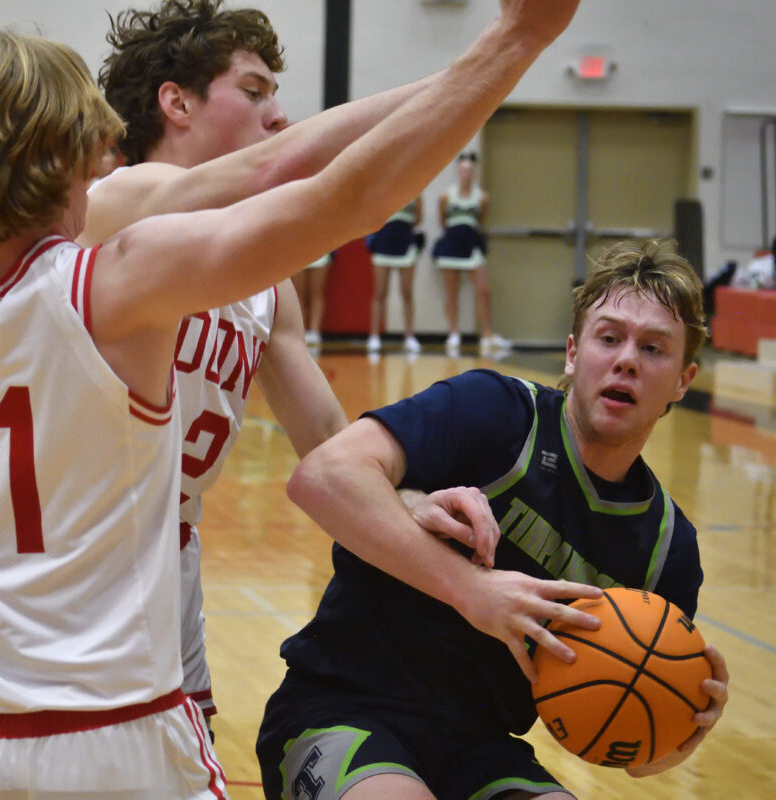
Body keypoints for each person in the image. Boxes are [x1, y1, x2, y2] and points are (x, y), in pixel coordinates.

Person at [0, 2, 585, 794]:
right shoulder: (125, 272)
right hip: (112, 702)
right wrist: (515, 38)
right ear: (70, 155)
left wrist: (409, 503)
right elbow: (338, 192)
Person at [84, 0, 503, 723]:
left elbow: (328, 449)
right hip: (79, 546)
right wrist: (487, 65)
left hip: (171, 556)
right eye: (253, 91)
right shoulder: (116, 202)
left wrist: (408, 503)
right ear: (175, 102)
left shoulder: (268, 287)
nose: (277, 113)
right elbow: (291, 165)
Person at [258, 239, 730, 800]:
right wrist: (472, 590)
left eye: (654, 348)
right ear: (574, 353)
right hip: (343, 708)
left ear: (683, 380)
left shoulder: (666, 546)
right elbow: (324, 476)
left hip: (480, 747)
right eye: (610, 338)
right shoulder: (498, 414)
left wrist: (679, 726)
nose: (627, 358)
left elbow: (630, 754)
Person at [433, 151, 509, 357]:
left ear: (473, 172)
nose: (466, 172)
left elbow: (481, 221)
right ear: (458, 171)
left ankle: (487, 334)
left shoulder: (482, 198)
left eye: (469, 169)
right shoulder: (446, 196)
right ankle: (453, 334)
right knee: (452, 291)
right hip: (451, 245)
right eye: (462, 169)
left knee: (483, 289)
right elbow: (442, 221)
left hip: (471, 246)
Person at [366, 197, 423, 353]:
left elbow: (418, 218)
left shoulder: (416, 191)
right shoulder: (384, 187)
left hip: (405, 243)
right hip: (383, 243)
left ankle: (409, 337)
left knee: (406, 292)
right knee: (379, 293)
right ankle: (374, 337)